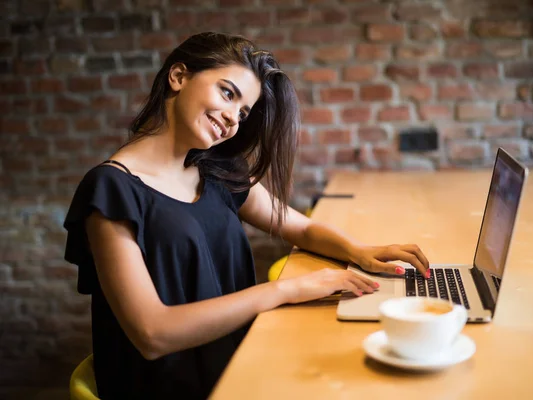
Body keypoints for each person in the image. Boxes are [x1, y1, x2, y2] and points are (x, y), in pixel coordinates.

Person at [63, 32, 430, 399]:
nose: (232, 119)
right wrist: (285, 290)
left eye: (242, 112)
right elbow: (152, 334)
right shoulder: (112, 189)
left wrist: (359, 252)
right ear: (178, 77)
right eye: (227, 92)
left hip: (238, 364)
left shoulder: (216, 170)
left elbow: (297, 225)